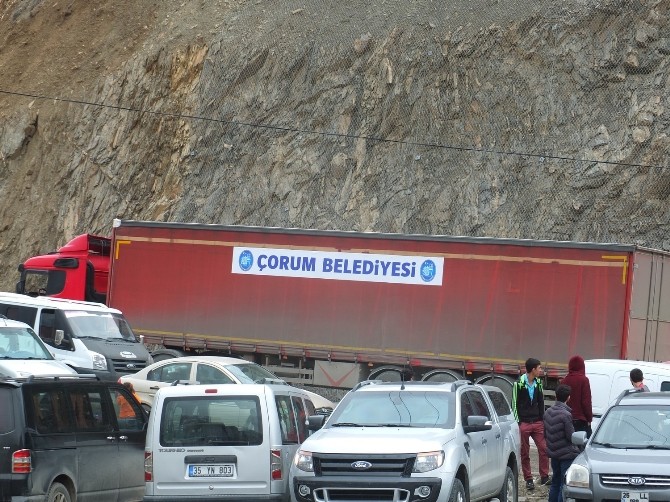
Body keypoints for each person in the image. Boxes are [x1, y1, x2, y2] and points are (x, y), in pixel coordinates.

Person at [512, 357, 550, 491]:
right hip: (524, 423)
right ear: (533, 369)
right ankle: (528, 479)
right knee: (525, 452)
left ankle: (544, 476)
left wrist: (542, 419)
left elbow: (541, 403)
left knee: (544, 449)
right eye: (539, 368)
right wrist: (519, 422)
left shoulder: (538, 383)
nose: (541, 370)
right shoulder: (518, 384)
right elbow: (514, 404)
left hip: (538, 422)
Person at [544, 384, 580, 502]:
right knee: (563, 484)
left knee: (555, 482)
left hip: (554, 454)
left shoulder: (548, 412)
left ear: (556, 396)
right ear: (568, 398)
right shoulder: (566, 415)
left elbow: (546, 433)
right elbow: (571, 437)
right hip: (566, 455)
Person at [560, 355, 593, 437]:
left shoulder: (564, 380)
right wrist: (589, 419)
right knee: (581, 445)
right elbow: (586, 402)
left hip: (566, 419)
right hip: (580, 420)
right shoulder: (584, 380)